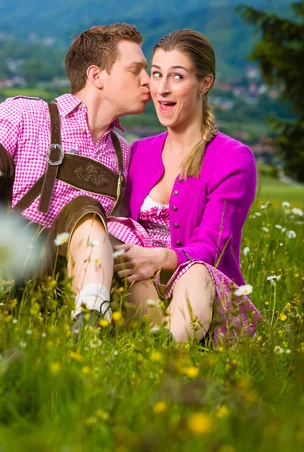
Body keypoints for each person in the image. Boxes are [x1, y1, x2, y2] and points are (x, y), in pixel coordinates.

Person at [0, 23, 151, 332]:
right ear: (96, 75)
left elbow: (123, 235)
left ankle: (90, 323)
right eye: (136, 70)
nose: (147, 81)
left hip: (52, 291)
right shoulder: (26, 114)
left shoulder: (124, 156)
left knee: (87, 212)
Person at [107, 29, 261, 343]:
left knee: (196, 272)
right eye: (156, 74)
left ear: (205, 83)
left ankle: (168, 356)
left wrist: (162, 258)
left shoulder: (233, 158)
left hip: (204, 296)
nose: (162, 89)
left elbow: (212, 246)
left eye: (177, 77)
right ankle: (148, 350)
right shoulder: (139, 152)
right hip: (144, 288)